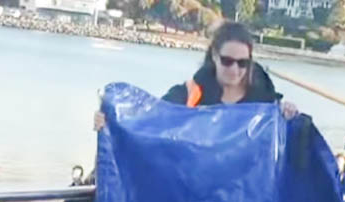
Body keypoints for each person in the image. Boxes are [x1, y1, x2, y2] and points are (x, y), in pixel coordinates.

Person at [93, 22, 297, 133]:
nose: (235, 69)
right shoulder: (191, 94)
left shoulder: (265, 100)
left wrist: (289, 115)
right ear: (215, 56)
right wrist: (112, 121)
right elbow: (152, 117)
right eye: (227, 61)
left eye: (242, 63)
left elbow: (286, 143)